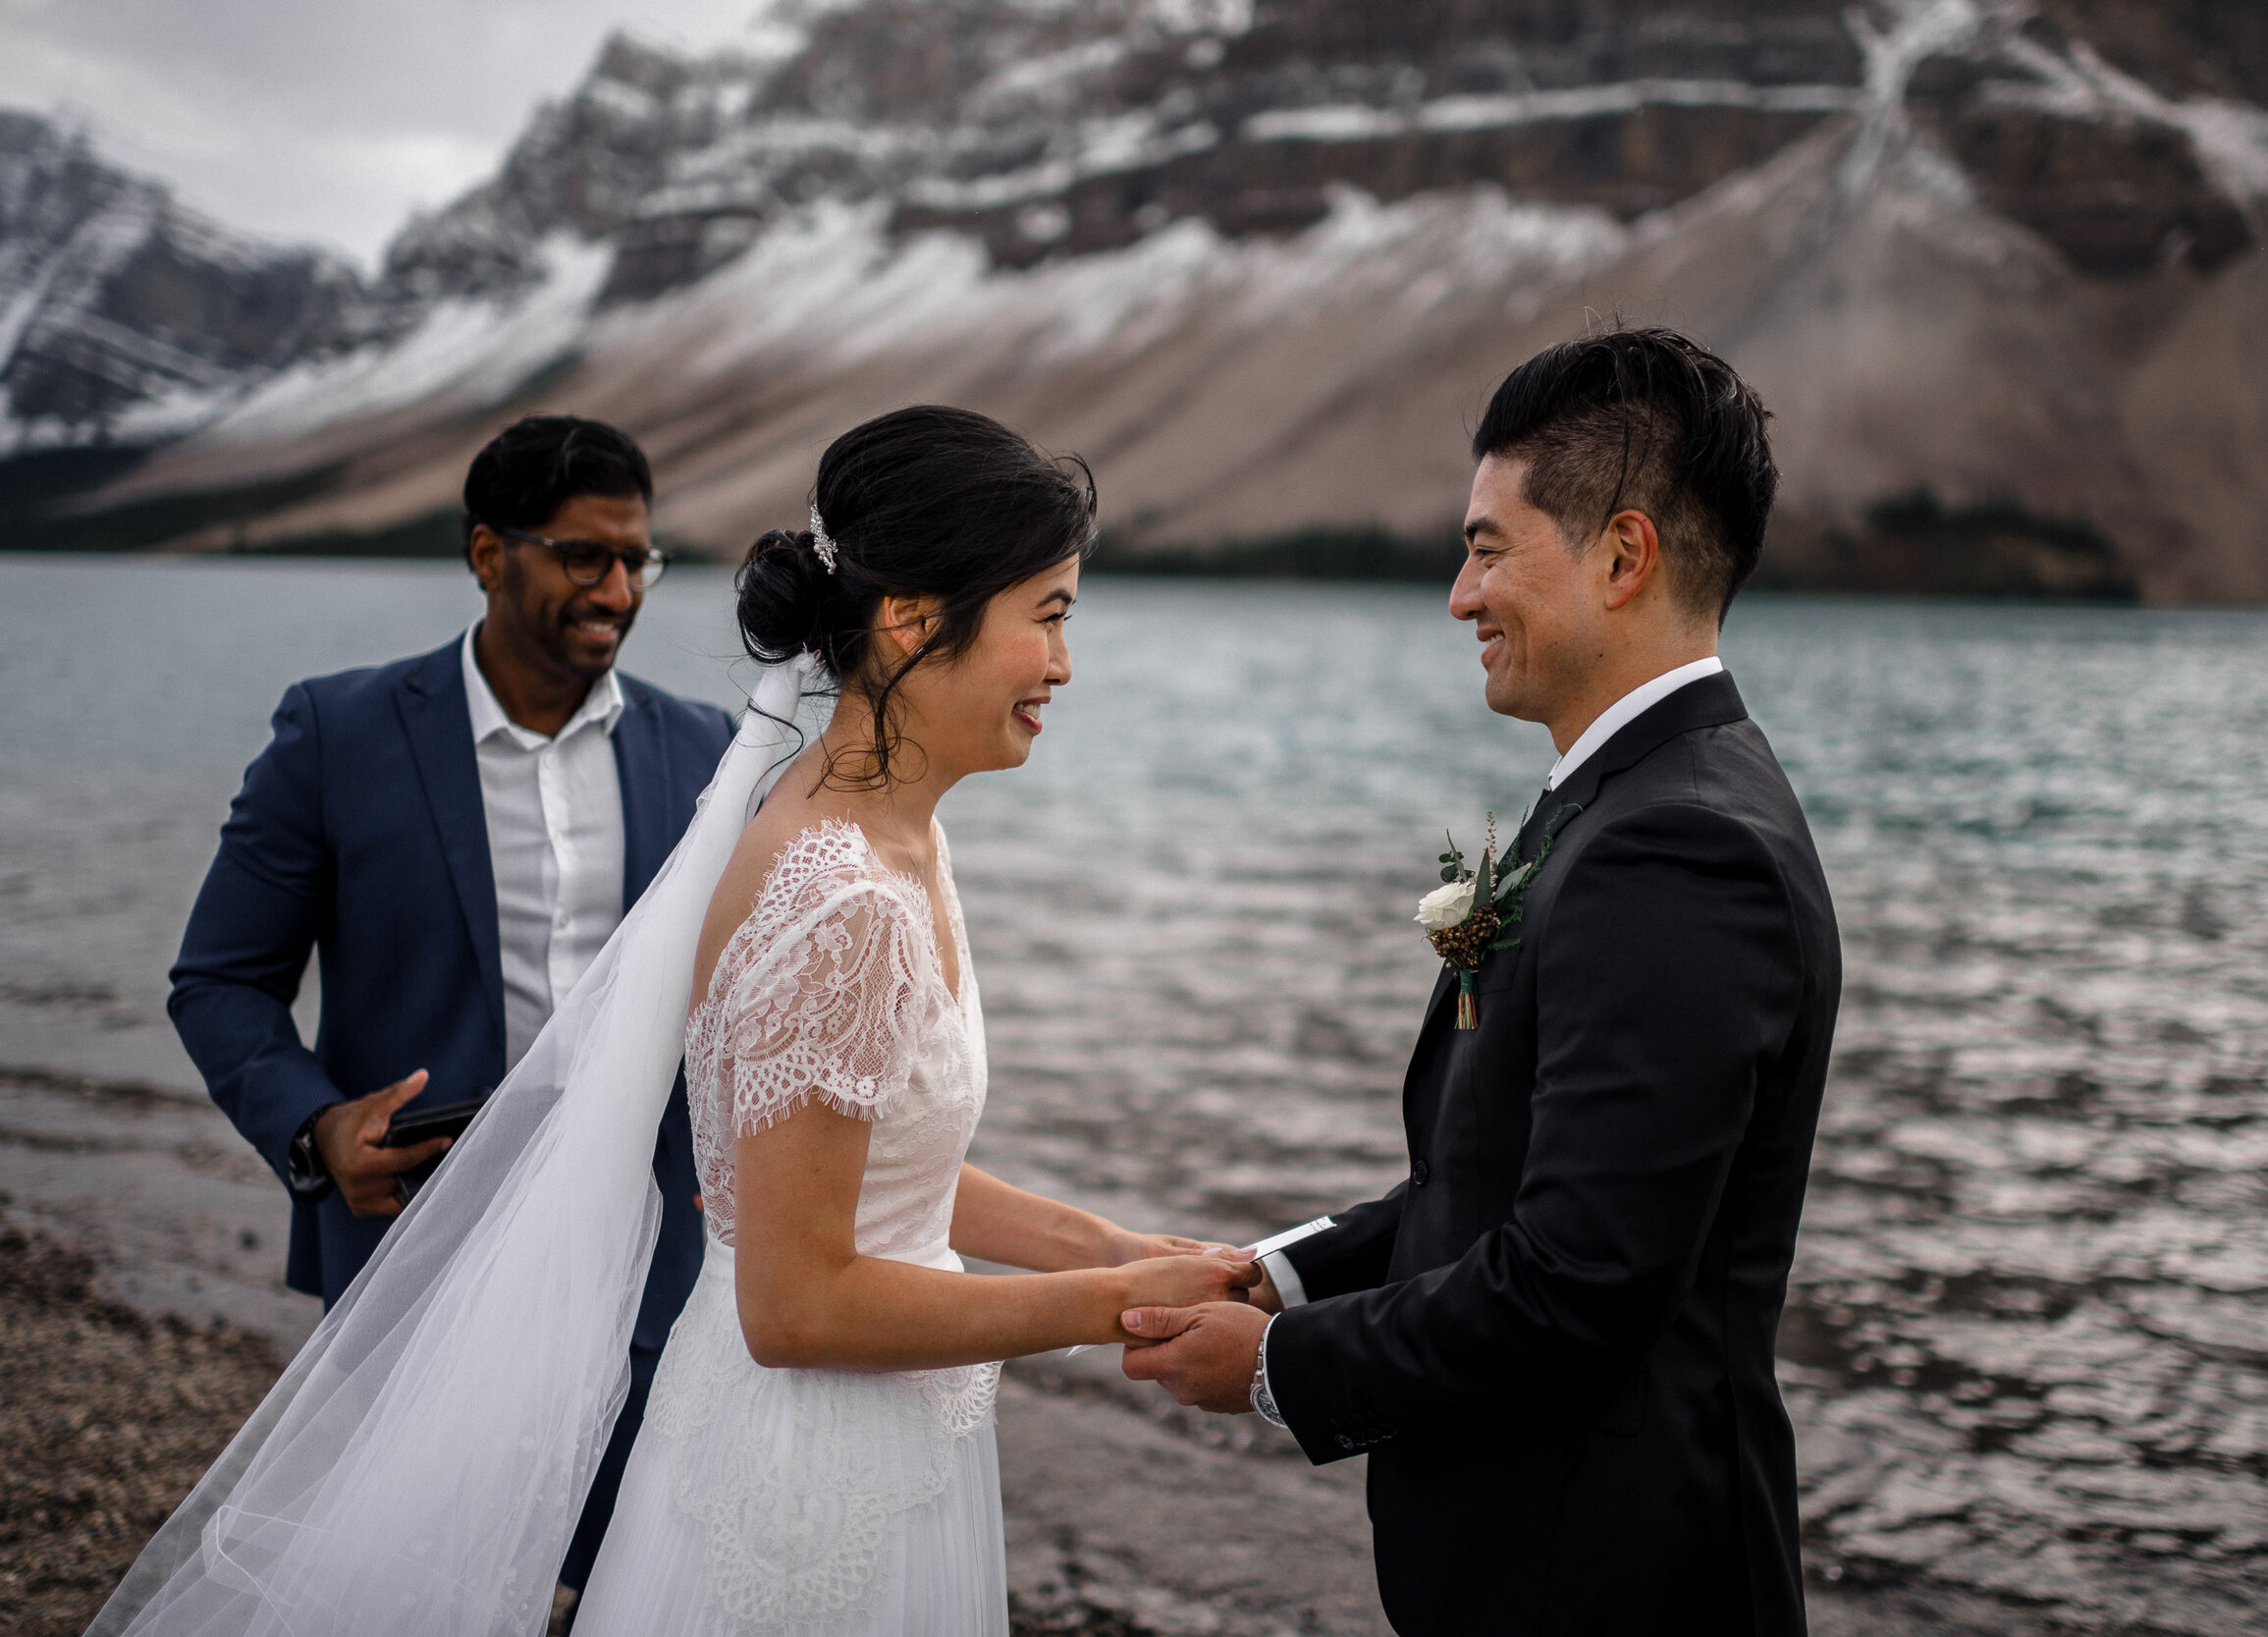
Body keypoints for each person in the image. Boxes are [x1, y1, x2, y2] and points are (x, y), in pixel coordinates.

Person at [92, 406, 1254, 1637]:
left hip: (791, 1372)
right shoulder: (843, 890)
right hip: (779, 1430)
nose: (1066, 665)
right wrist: (1118, 1302)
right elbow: (799, 1305)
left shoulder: (843, 812)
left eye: (635, 558)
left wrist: (1107, 1243)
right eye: (1053, 615)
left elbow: (874, 1162)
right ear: (913, 619)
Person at [1117, 329, 1843, 1636]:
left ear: (1624, 556)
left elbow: (1578, 1274)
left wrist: (1280, 1366)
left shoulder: (1681, 846)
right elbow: (1502, 1174)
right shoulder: (1627, 804)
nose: (1459, 594)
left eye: (1490, 547)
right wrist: (1278, 1272)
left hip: (1619, 1578)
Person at [163, 414, 732, 1593]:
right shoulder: (337, 732)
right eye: (586, 555)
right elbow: (220, 979)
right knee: (424, 1579)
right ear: (488, 553)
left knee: (624, 1569)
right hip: (413, 1245)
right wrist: (317, 1129)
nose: (620, 589)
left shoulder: (707, 750)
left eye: (639, 560)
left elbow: (739, 1004)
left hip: (648, 1247)